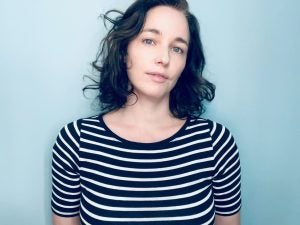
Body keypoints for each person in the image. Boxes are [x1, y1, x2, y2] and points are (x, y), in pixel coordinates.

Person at [51, 0, 242, 224]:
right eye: (150, 40)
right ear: (124, 50)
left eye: (177, 48)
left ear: (185, 62)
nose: (164, 58)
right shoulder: (76, 141)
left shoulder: (215, 142)